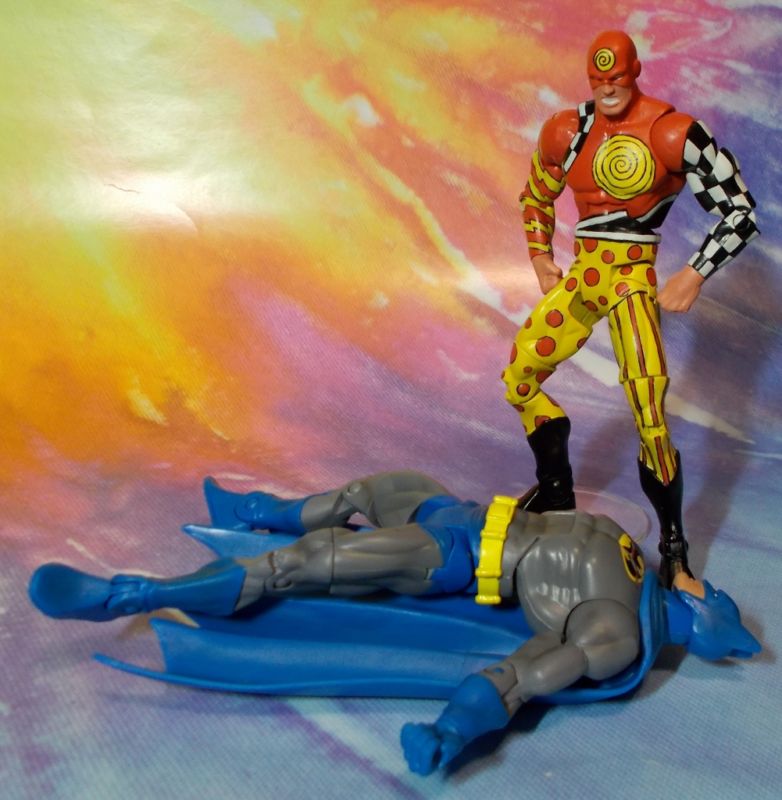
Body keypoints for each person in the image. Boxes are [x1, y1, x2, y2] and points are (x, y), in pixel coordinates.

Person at [29, 471, 760, 776]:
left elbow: (521, 678)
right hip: (464, 513)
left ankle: (133, 594)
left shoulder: (614, 635)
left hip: (455, 557)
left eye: (712, 602)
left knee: (310, 562)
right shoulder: (634, 556)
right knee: (370, 489)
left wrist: (452, 731)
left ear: (702, 627)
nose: (707, 590)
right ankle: (260, 510)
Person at [503, 30, 759, 589]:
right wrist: (541, 257)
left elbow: (740, 211)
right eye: (598, 80)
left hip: (630, 284)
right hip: (583, 278)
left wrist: (694, 273)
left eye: (616, 77)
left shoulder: (672, 131)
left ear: (635, 70)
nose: (608, 88)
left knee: (650, 416)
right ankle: (556, 493)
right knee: (520, 377)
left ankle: (675, 551)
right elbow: (535, 195)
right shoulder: (568, 130)